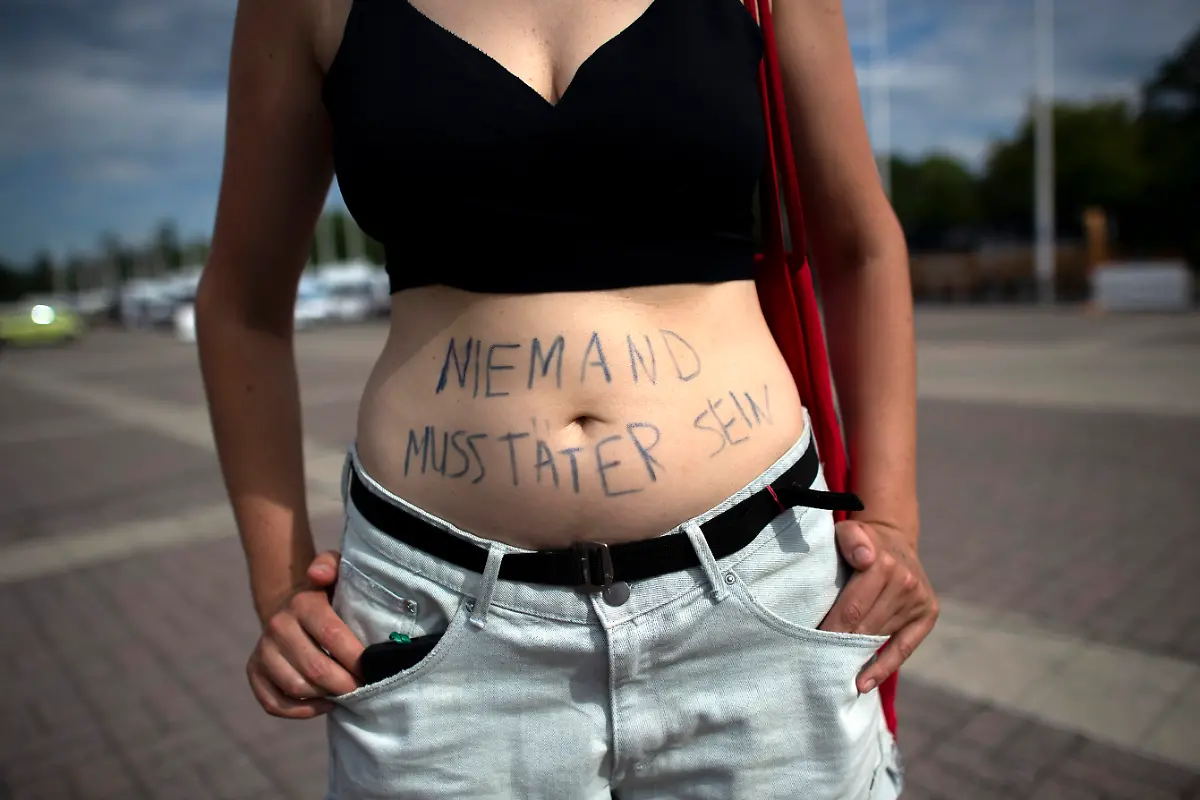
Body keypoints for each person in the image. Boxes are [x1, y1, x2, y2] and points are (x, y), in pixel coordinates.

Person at [196, 0, 937, 796]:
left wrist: (893, 517)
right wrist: (277, 586)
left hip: (758, 595)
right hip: (438, 629)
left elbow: (860, 243)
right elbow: (242, 304)